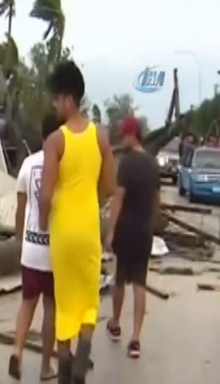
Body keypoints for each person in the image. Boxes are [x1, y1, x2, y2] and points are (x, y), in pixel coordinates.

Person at [38, 61, 117, 384]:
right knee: (87, 299)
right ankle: (83, 356)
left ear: (68, 98)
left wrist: (43, 224)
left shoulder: (55, 141)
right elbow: (110, 185)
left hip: (63, 231)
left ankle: (66, 371)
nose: (55, 105)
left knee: (63, 302)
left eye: (56, 99)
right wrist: (89, 199)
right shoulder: (100, 136)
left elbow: (44, 196)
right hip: (88, 228)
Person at [8, 113, 62, 382]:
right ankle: (44, 367)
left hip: (30, 248)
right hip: (53, 252)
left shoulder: (28, 165)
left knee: (27, 304)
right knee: (51, 307)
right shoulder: (64, 167)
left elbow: (20, 210)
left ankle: (17, 352)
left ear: (42, 136)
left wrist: (20, 241)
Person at [105, 116, 160, 359]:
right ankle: (135, 339)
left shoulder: (126, 164)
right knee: (139, 283)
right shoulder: (152, 163)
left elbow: (118, 198)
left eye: (123, 134)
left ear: (132, 135)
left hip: (126, 230)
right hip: (144, 231)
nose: (121, 139)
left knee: (119, 280)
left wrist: (111, 230)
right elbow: (157, 201)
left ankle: (115, 324)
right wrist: (152, 224)